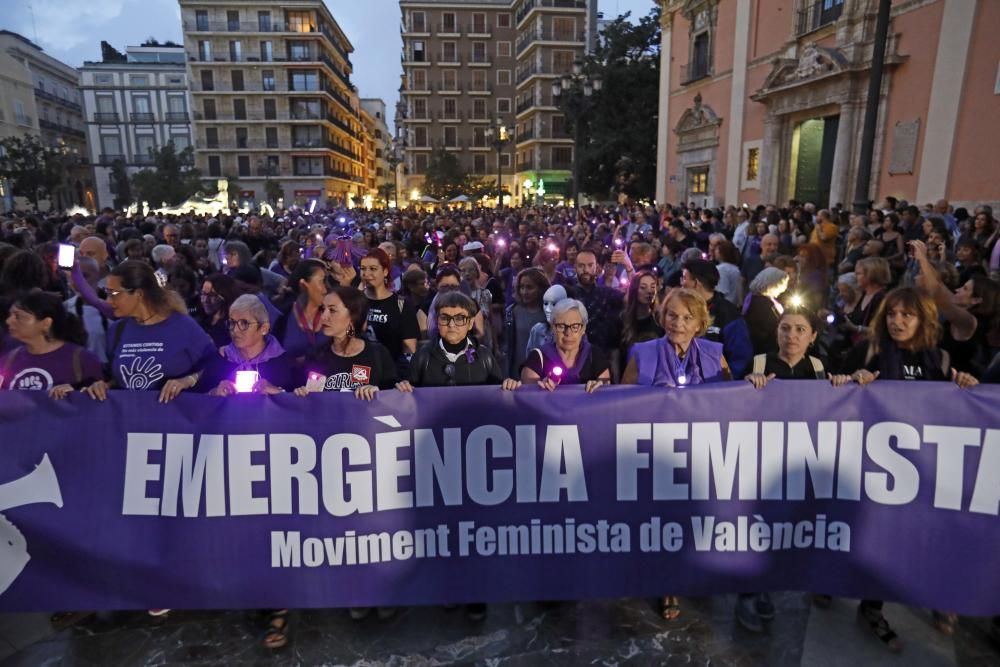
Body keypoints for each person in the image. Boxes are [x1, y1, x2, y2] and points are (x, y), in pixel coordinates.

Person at [831, 287, 977, 651]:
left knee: (913, 535)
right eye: (892, 314)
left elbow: (954, 412)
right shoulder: (870, 350)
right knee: (868, 534)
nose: (897, 321)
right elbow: (832, 392)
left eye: (906, 315)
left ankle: (901, 599)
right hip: (870, 464)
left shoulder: (940, 360)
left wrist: (966, 386)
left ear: (923, 319)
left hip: (920, 469)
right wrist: (852, 382)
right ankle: (850, 594)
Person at [396, 291, 518, 620]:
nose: (452, 324)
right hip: (434, 456)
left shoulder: (485, 356)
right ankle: (450, 584)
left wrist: (507, 388)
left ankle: (475, 590)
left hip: (474, 460)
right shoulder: (423, 356)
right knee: (442, 526)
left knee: (475, 527)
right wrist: (404, 390)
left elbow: (500, 400)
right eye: (446, 318)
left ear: (470, 322)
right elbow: (405, 398)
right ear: (437, 320)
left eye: (460, 319)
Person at [621, 288, 730, 621]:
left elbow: (733, 399)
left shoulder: (714, 355)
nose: (678, 323)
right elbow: (620, 403)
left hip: (700, 452)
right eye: (672, 315)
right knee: (662, 520)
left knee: (694, 518)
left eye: (687, 317)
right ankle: (666, 585)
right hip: (655, 453)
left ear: (700, 323)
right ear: (661, 316)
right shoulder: (643, 353)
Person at [84, 260, 215, 405]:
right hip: (129, 421)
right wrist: (104, 385)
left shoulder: (182, 326)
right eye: (107, 293)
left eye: (114, 294)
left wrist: (188, 380)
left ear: (139, 294)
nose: (108, 301)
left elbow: (215, 367)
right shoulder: (117, 330)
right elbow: (116, 377)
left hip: (172, 422)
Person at [295, 286, 397, 400]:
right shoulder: (317, 355)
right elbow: (310, 398)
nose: (323, 317)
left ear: (353, 316)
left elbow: (394, 394)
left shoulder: (378, 353)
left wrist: (379, 391)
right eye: (323, 309)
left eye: (332, 310)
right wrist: (301, 392)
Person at [1, 290, 102, 397]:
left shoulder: (83, 360)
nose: (8, 321)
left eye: (18, 316)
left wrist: (77, 390)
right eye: (10, 315)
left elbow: (99, 402)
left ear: (46, 323)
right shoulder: (7, 361)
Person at [199, 294, 296, 396]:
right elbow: (197, 401)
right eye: (232, 323)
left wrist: (278, 392)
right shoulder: (222, 358)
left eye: (244, 323)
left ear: (264, 328)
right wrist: (213, 393)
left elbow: (294, 404)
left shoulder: (280, 361)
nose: (235, 330)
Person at [681, 260, 753, 379]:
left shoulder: (729, 314)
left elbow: (741, 358)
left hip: (714, 385)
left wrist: (724, 381)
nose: (681, 283)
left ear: (696, 283)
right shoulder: (681, 309)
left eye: (684, 278)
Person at [521, 299, 611, 392]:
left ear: (583, 329)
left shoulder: (595, 355)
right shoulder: (537, 357)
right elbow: (528, 398)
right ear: (552, 328)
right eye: (561, 326)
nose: (568, 333)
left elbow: (606, 395)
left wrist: (599, 388)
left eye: (575, 326)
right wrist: (540, 388)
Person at [360, 249, 419, 374]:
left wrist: (402, 378)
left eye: (373, 269)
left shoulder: (402, 304)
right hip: (360, 371)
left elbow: (409, 348)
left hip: (391, 372)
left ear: (385, 271)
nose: (367, 273)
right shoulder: (355, 302)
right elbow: (348, 336)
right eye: (363, 268)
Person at [272, 259, 330, 360]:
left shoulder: (333, 314)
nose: (326, 288)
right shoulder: (281, 316)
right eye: (322, 281)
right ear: (303, 284)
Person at [503, 267, 550, 378]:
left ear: (541, 288)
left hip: (544, 370)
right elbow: (508, 346)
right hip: (517, 371)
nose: (524, 292)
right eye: (521, 287)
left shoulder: (549, 312)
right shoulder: (512, 311)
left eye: (529, 287)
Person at [620, 270, 663, 367]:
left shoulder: (660, 319)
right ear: (634, 290)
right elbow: (615, 355)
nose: (649, 291)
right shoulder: (622, 319)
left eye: (653, 287)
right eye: (643, 287)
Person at [742, 267, 790, 355]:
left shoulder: (755, 298)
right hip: (764, 350)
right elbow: (771, 326)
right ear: (772, 284)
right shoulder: (761, 304)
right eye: (781, 285)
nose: (783, 289)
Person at [526, 284, 568, 352]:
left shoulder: (575, 332)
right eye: (545, 303)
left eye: (554, 304)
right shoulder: (537, 330)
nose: (548, 309)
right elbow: (530, 357)